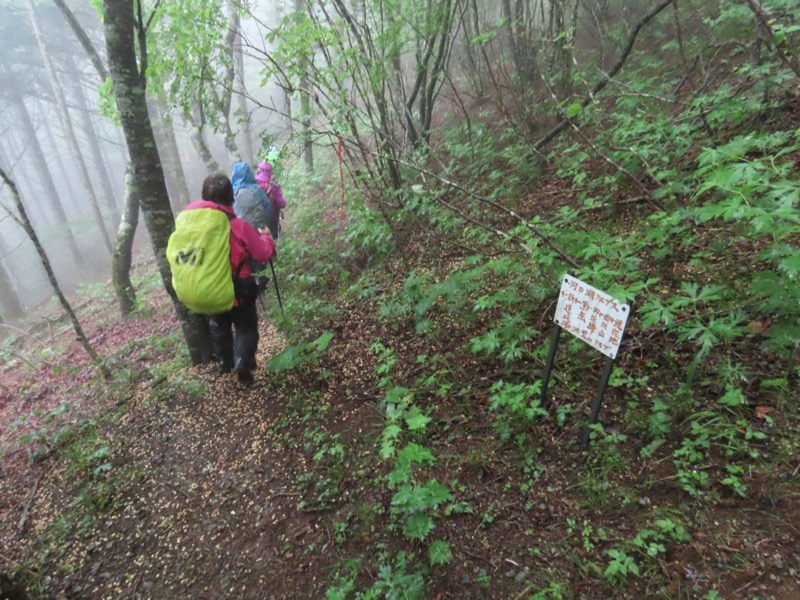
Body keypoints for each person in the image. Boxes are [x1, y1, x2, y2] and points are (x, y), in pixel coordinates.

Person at [194, 173, 275, 382]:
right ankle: (243, 360)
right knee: (246, 325)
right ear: (231, 197)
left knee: (218, 323)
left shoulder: (196, 229)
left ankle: (225, 362)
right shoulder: (238, 226)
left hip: (209, 288)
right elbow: (263, 254)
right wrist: (266, 236)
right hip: (239, 288)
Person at [255, 160, 286, 241]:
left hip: (256, 218)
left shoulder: (252, 184)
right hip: (272, 218)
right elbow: (282, 204)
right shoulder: (273, 186)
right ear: (270, 172)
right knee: (273, 239)